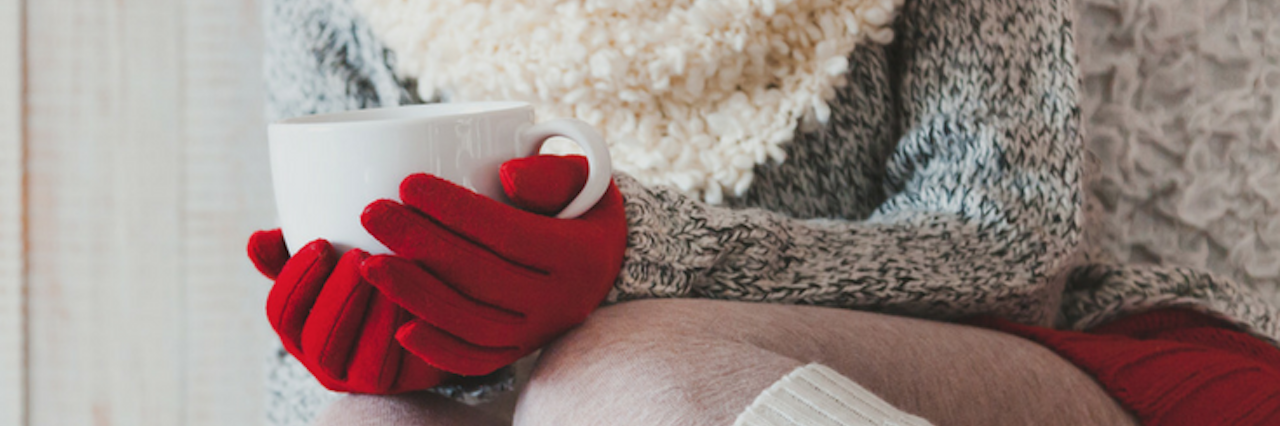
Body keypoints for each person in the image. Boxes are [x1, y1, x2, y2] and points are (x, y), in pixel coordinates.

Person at [254, 0, 1280, 424]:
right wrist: (402, 344)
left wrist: (643, 257)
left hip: (998, 362)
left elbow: (1013, 250)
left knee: (622, 379)